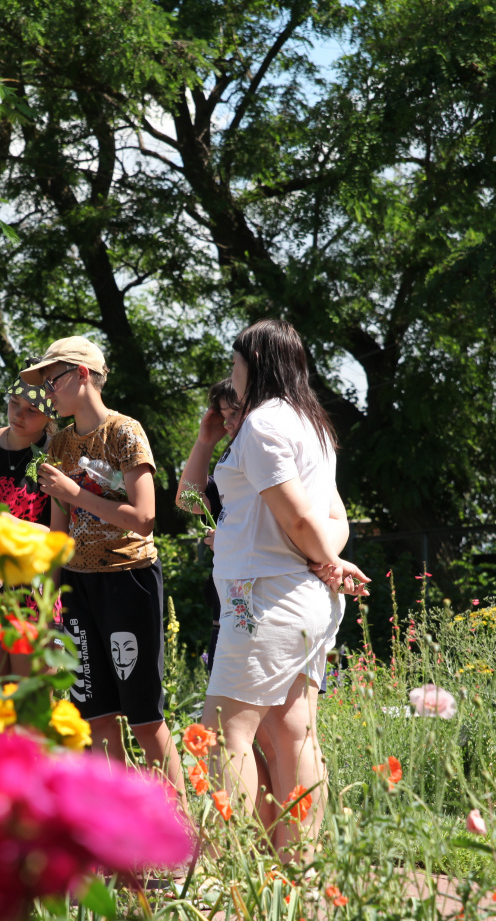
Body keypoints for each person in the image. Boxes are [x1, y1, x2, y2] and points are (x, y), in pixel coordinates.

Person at [202, 319, 369, 855]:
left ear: (257, 364)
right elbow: (334, 517)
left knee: (223, 730)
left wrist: (323, 555)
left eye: (235, 364)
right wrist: (330, 561)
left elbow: (302, 522)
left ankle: (221, 870)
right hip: (303, 596)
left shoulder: (264, 424)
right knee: (293, 729)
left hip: (267, 598)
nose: (232, 374)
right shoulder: (314, 425)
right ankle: (298, 864)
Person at [24, 336, 185, 793]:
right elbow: (58, 534)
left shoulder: (124, 432)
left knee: (144, 719)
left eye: (51, 381)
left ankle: (188, 841)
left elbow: (146, 518)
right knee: (95, 719)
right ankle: (120, 843)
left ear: (82, 375)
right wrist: (49, 601)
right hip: (77, 588)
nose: (46, 394)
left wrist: (76, 494)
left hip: (128, 581)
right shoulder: (58, 445)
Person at [0, 378, 58, 680]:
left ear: (51, 415)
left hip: (34, 592)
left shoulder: (56, 457)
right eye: (14, 403)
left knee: (31, 707)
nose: (18, 414)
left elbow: (62, 538)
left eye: (32, 410)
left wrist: (8, 525)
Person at [176, 377, 241, 668]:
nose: (227, 424)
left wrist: (231, 540)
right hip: (228, 602)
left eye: (235, 413)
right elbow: (187, 499)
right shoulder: (228, 471)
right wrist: (204, 440)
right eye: (223, 415)